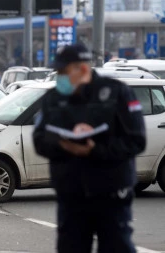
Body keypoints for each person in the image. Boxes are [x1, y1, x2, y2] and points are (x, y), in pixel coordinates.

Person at [32, 44, 146, 253]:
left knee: (116, 247)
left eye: (63, 72)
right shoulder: (53, 99)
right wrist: (62, 144)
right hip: (71, 193)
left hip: (111, 193)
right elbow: (39, 140)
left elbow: (136, 141)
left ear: (82, 69)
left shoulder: (117, 93)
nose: (60, 78)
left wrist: (95, 150)